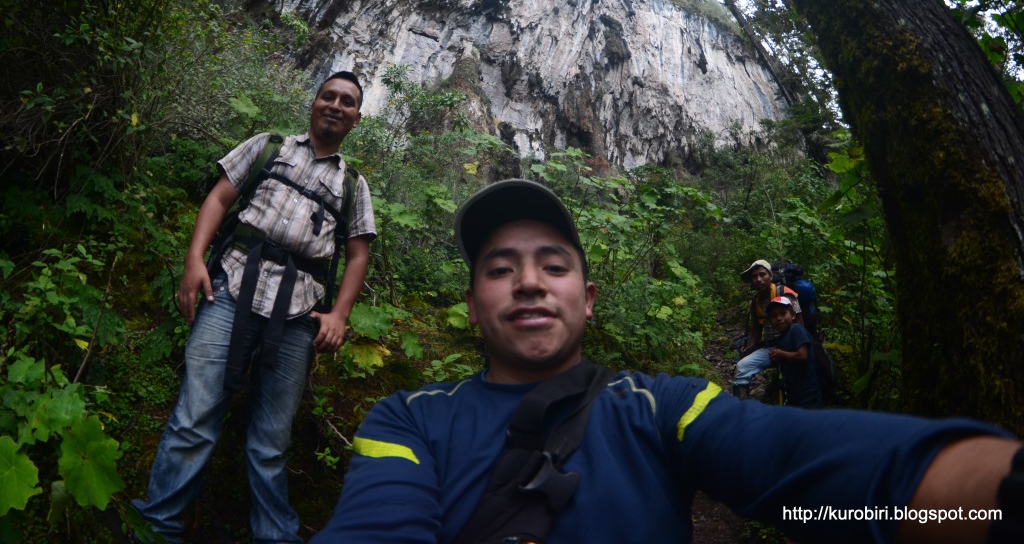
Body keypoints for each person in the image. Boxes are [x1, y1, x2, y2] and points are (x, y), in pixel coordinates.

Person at [312, 179, 1021, 543]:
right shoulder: (408, 419)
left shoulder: (657, 407)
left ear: (587, 299)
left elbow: (812, 471)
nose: (528, 281)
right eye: (501, 268)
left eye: (552, 265)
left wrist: (996, 496)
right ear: (472, 304)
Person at [132, 71, 377, 543]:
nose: (335, 105)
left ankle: (274, 536)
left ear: (356, 119)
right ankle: (158, 527)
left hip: (299, 314)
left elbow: (358, 253)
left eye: (347, 101)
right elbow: (220, 198)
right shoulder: (269, 146)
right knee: (195, 416)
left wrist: (340, 314)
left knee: (270, 441)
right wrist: (193, 261)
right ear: (314, 102)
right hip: (230, 291)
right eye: (328, 95)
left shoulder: (354, 186)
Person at [733, 258, 802, 400]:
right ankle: (742, 407)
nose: (758, 279)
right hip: (771, 348)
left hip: (794, 346)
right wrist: (750, 348)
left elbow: (800, 321)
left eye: (762, 274)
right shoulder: (755, 302)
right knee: (742, 367)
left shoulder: (784, 292)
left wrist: (797, 347)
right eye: (754, 276)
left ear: (770, 276)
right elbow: (757, 328)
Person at [766, 295, 821, 408]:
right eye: (774, 316)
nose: (779, 318)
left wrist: (781, 354)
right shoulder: (783, 337)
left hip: (809, 395)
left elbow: (802, 355)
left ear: (793, 315)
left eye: (783, 313)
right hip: (795, 395)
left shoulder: (796, 330)